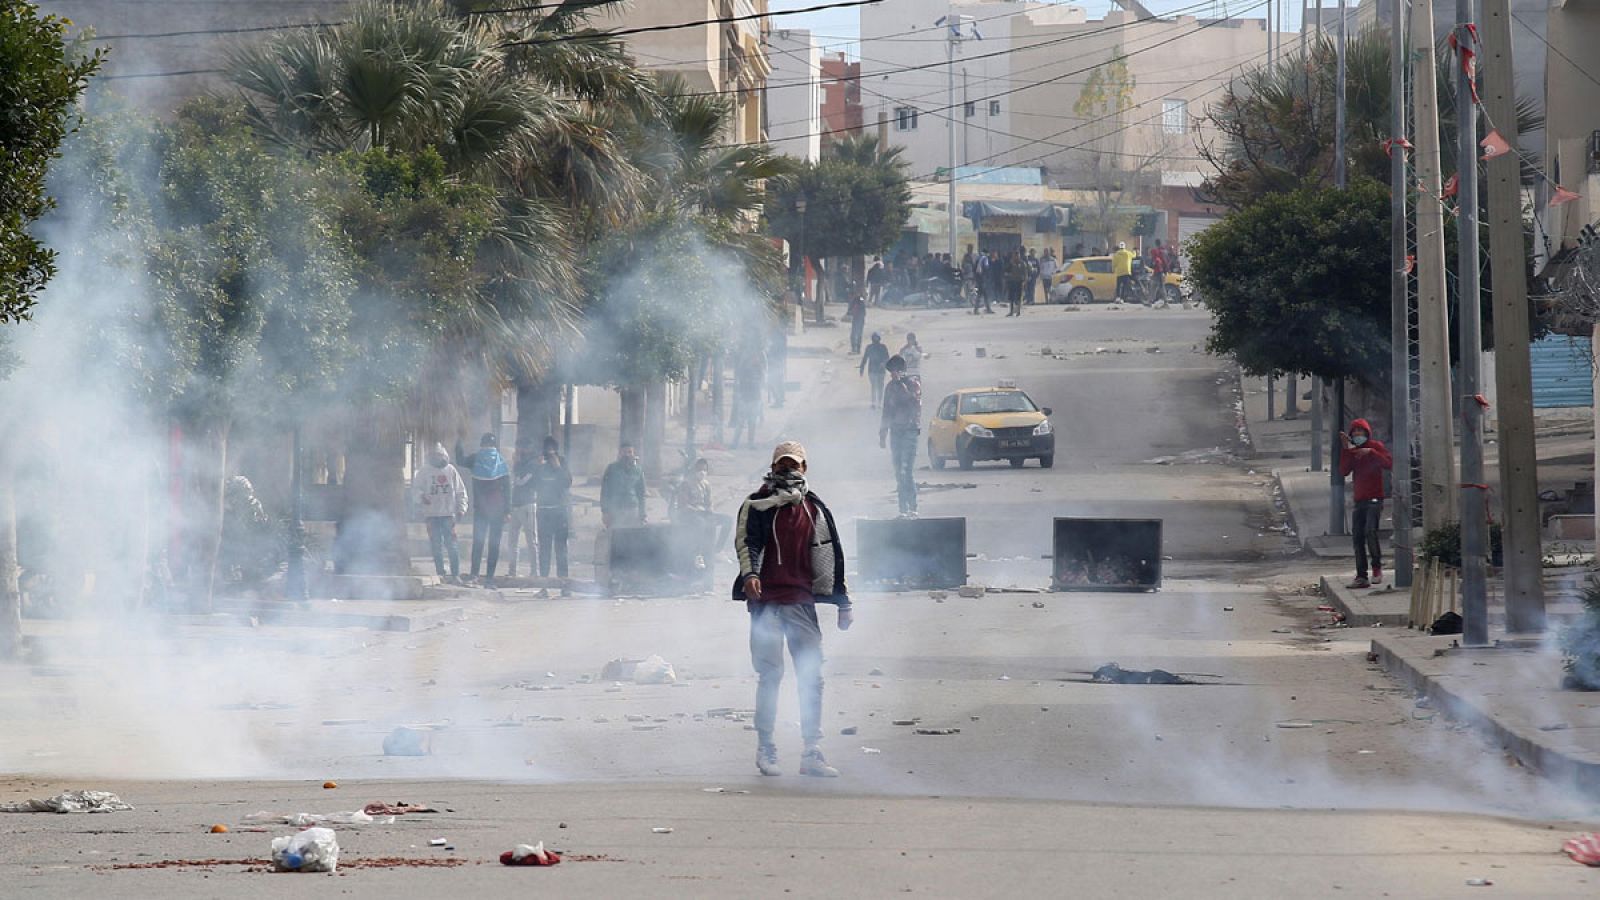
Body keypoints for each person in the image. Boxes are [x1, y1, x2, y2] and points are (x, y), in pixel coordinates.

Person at [733, 440, 853, 778]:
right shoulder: (756, 504)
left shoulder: (815, 508)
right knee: (770, 676)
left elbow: (831, 556)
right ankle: (766, 747)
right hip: (767, 604)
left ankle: (811, 751)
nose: (789, 469)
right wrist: (750, 574)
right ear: (773, 466)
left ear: (804, 468)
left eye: (795, 464)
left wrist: (843, 603)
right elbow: (747, 542)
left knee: (811, 678)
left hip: (801, 603)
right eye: (783, 463)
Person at [1339, 418, 1394, 588]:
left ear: (1367, 433)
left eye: (1361, 432)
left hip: (1375, 498)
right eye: (1355, 432)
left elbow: (1388, 463)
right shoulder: (1352, 451)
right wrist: (1347, 450)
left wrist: (1371, 452)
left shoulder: (1375, 446)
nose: (1358, 435)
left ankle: (1376, 568)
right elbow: (1343, 471)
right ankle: (1361, 576)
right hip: (1359, 500)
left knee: (1371, 531)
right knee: (1357, 537)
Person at [456, 432, 511, 588]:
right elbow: (507, 489)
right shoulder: (501, 462)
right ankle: (489, 579)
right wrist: (507, 511)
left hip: (481, 509)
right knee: (493, 544)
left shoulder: (475, 459)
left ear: (482, 445)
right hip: (498, 510)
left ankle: (475, 576)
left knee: (479, 543)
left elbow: (460, 460)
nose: (488, 450)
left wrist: (459, 441)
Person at [410, 444, 468, 584]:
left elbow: (461, 492)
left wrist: (461, 508)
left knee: (452, 545)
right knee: (436, 545)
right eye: (434, 455)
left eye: (439, 454)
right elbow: (415, 490)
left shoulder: (451, 470)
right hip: (431, 515)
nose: (437, 457)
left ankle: (455, 574)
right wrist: (422, 497)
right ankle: (440, 573)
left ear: (444, 455)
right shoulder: (424, 472)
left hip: (448, 514)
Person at [675, 457, 732, 583]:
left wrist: (710, 510)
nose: (702, 472)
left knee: (728, 520)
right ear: (694, 470)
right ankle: (698, 553)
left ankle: (718, 549)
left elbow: (709, 503)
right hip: (689, 514)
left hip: (704, 513)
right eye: (700, 469)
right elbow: (683, 505)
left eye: (704, 470)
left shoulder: (706, 484)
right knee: (701, 524)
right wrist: (699, 510)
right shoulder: (686, 484)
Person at [880, 355, 922, 517]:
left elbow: (912, 402)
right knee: (898, 471)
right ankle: (902, 509)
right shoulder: (890, 387)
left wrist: (901, 385)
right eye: (891, 372)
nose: (892, 375)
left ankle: (913, 507)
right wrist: (882, 433)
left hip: (910, 431)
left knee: (906, 470)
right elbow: (886, 411)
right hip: (895, 432)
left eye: (894, 371)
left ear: (901, 370)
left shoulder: (913, 385)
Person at [532, 436, 572, 580]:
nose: (550, 454)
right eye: (547, 450)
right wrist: (538, 468)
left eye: (552, 450)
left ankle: (564, 584)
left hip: (559, 511)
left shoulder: (562, 462)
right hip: (544, 511)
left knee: (561, 549)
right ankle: (544, 585)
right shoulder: (540, 463)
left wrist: (558, 468)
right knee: (544, 550)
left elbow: (567, 483)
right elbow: (533, 486)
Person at [505, 442, 539, 578]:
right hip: (515, 505)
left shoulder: (531, 465)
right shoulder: (517, 464)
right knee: (512, 540)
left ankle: (534, 571)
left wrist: (515, 465)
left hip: (527, 505)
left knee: (531, 540)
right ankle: (512, 570)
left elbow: (519, 481)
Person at [600, 442, 647, 529]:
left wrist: (643, 515)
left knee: (632, 537)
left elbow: (641, 494)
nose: (627, 455)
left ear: (633, 453)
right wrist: (605, 511)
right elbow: (605, 492)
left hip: (632, 509)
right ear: (619, 453)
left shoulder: (638, 471)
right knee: (616, 537)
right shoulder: (611, 469)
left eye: (630, 452)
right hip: (615, 510)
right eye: (624, 452)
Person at [730, 338, 766, 449]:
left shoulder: (759, 368)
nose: (756, 358)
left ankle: (750, 443)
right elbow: (740, 380)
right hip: (745, 397)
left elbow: (763, 379)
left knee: (752, 422)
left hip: (755, 397)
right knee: (741, 422)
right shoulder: (745, 367)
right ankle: (735, 443)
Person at [859, 332, 889, 407]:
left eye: (877, 338)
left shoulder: (883, 347)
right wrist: (862, 368)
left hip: (881, 371)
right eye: (874, 338)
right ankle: (873, 403)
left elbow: (887, 358)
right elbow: (865, 358)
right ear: (872, 339)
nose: (875, 339)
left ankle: (879, 402)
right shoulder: (869, 347)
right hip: (872, 370)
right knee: (874, 386)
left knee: (880, 386)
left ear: (879, 338)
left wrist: (883, 363)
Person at [768, 310, 789, 408]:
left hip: (775, 358)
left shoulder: (777, 332)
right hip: (779, 358)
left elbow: (775, 346)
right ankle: (780, 398)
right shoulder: (781, 332)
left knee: (773, 379)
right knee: (778, 379)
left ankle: (779, 400)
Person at [1004, 250, 1025, 317]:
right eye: (1015, 256)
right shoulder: (1010, 263)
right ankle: (1011, 312)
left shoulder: (1022, 263)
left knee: (1018, 298)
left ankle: (1018, 311)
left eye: (1017, 255)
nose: (1016, 257)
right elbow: (1006, 271)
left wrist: (1024, 281)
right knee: (1011, 298)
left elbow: (1025, 273)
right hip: (1012, 282)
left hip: (1019, 282)